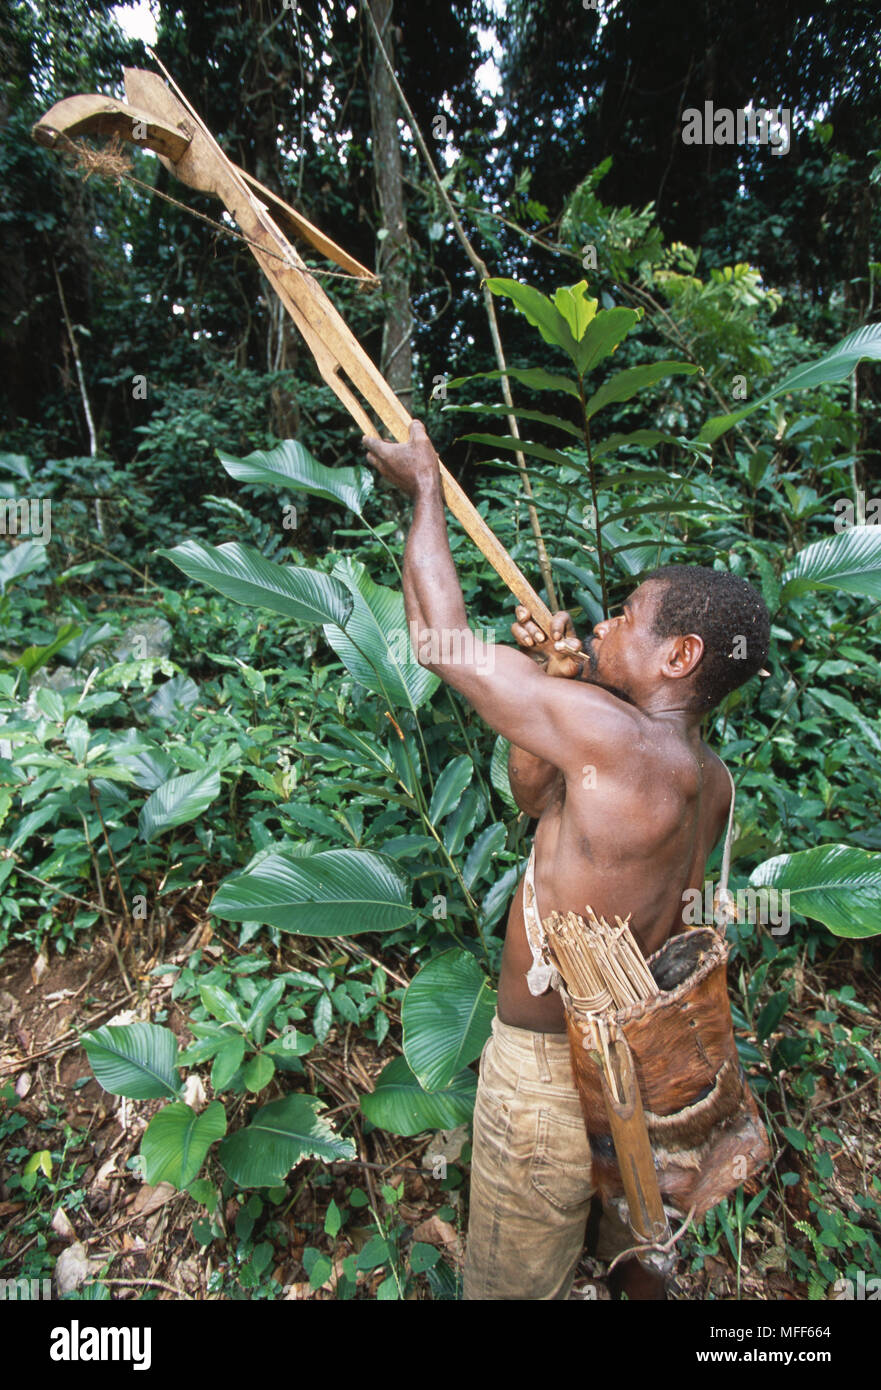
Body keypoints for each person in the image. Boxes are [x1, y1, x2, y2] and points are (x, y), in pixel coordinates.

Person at [361, 421, 771, 1301]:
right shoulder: (706, 776)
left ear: (680, 655)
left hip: (546, 1074)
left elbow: (440, 645)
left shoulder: (614, 740)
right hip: (620, 1068)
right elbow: (536, 799)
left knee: (512, 1285)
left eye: (625, 615)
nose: (601, 622)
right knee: (615, 1247)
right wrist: (564, 679)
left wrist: (426, 493)